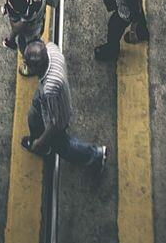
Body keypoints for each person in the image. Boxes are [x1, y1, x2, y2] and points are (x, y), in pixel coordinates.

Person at [19, 40, 107, 170]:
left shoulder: (50, 89)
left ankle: (96, 156)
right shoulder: (51, 49)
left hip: (58, 114)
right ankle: (40, 141)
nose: (24, 65)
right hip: (50, 98)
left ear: (37, 67)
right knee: (34, 115)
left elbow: (54, 122)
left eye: (28, 64)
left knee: (63, 147)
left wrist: (39, 143)